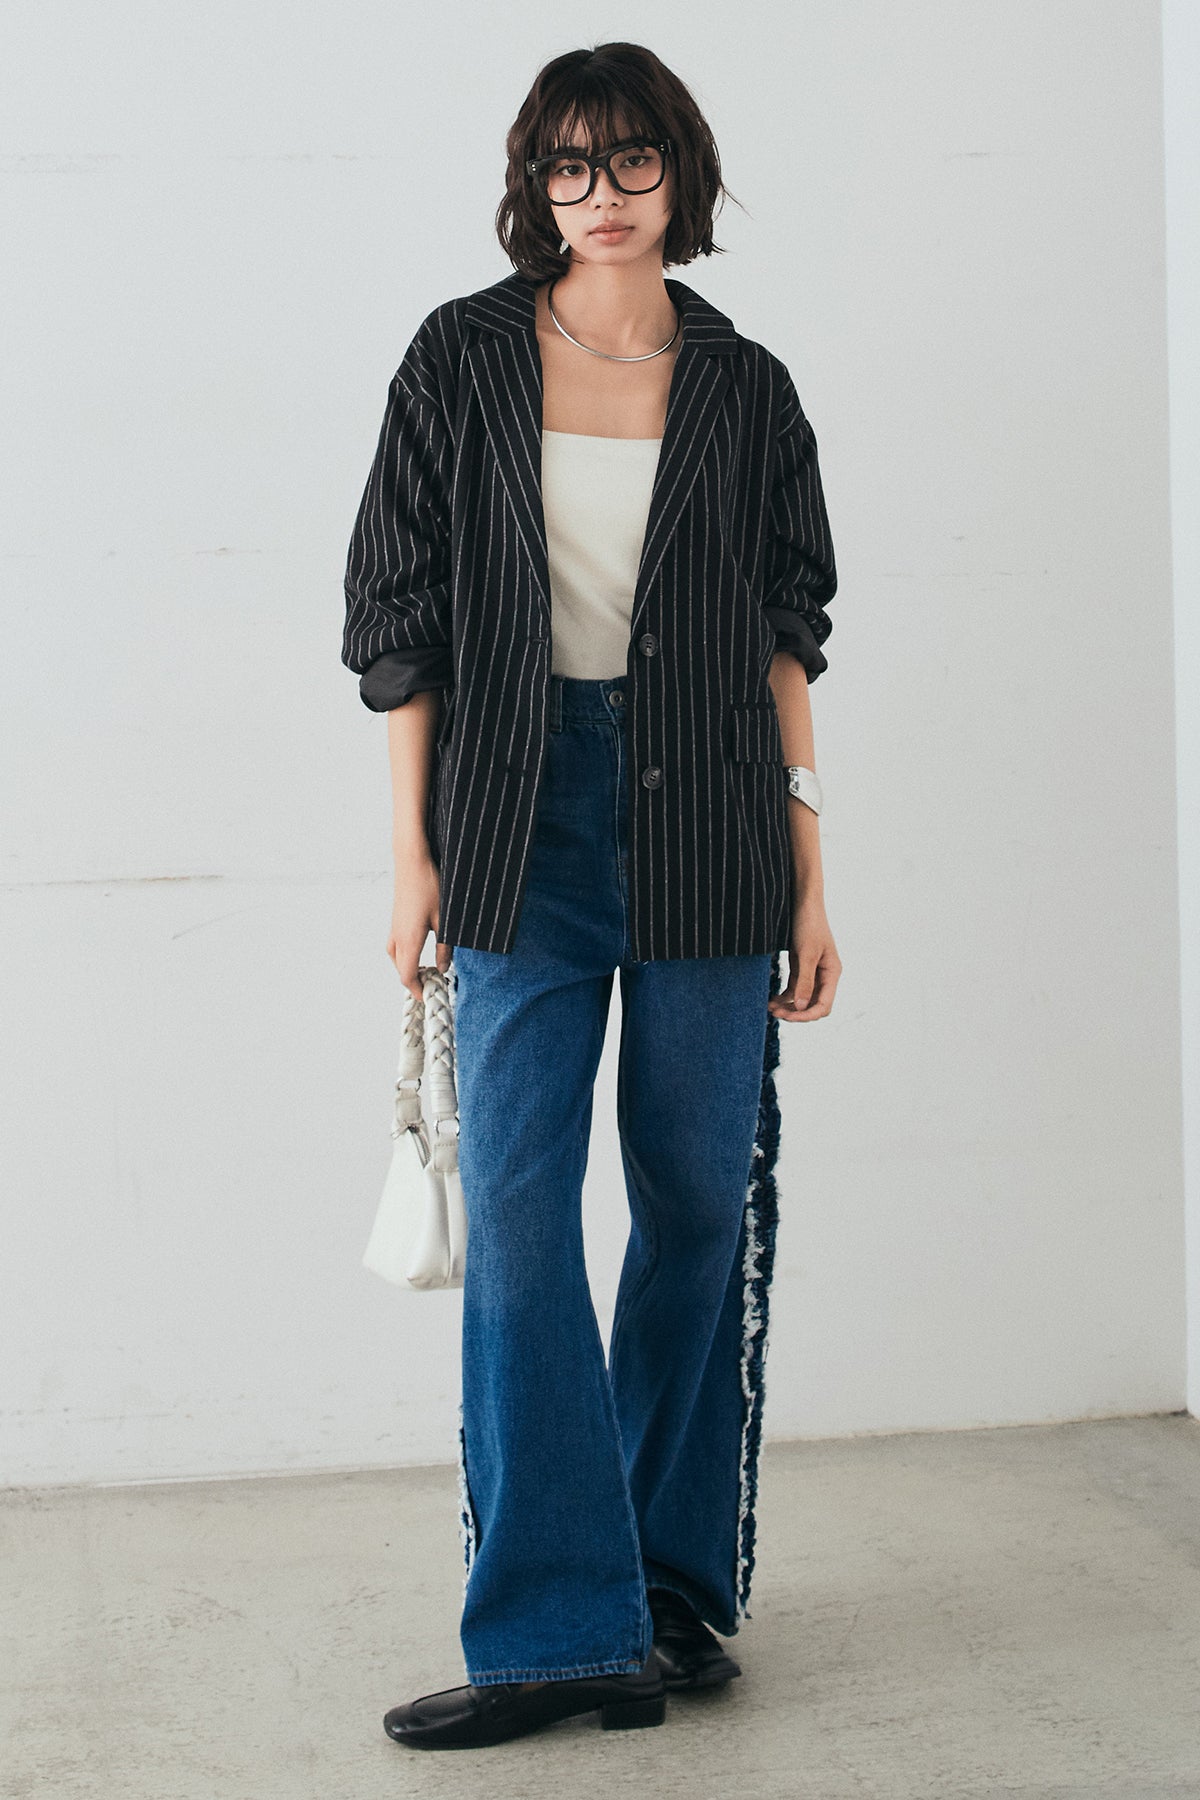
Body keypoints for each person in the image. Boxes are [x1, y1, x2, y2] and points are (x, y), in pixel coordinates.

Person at [342, 40, 842, 1752]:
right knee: (522, 1214)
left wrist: (813, 875)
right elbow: (398, 619)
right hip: (514, 818)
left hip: (714, 821)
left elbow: (787, 635)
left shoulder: (748, 388)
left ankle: (664, 1587)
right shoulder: (461, 359)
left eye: (631, 162)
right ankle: (559, 1632)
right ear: (533, 186)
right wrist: (410, 855)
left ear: (677, 175)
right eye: (569, 165)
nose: (602, 194)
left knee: (699, 1201)